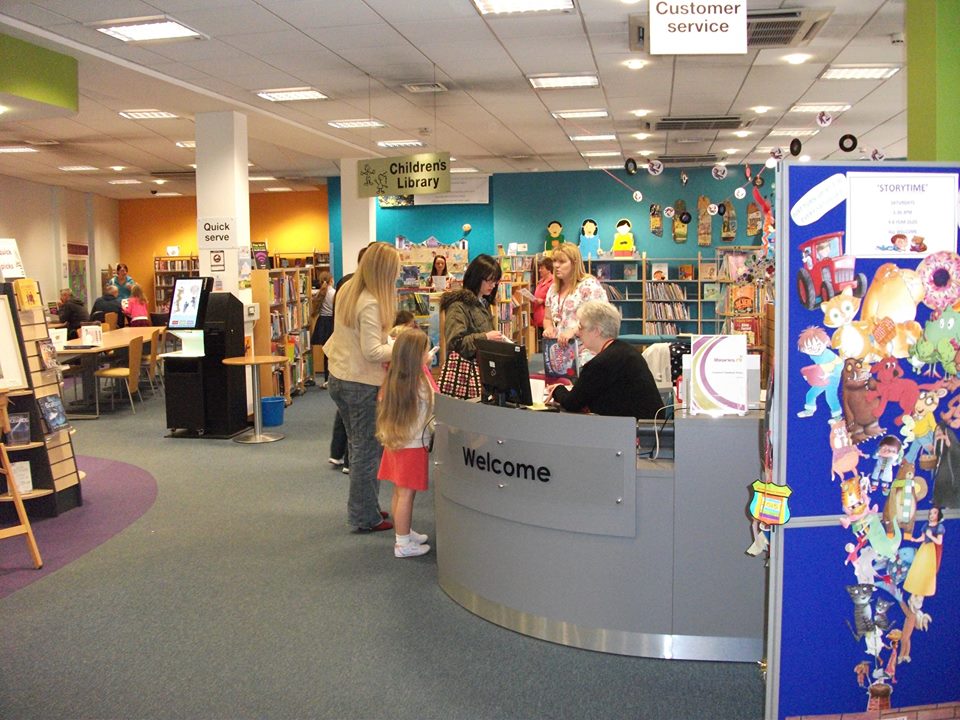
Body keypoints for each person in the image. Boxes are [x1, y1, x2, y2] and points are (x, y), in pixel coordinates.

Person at [323, 242, 399, 533]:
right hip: (361, 382)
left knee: (358, 448)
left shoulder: (348, 288)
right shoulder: (371, 301)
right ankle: (364, 516)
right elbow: (372, 352)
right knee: (367, 451)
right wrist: (402, 345)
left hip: (340, 376)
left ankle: (365, 505)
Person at [547, 301, 664, 420]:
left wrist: (558, 389)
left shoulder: (601, 363)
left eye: (581, 327)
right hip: (647, 427)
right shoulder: (625, 350)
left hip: (633, 432)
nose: (577, 333)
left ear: (597, 331)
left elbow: (571, 403)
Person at [376, 328, 435, 558]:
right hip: (412, 446)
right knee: (407, 495)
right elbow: (433, 406)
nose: (429, 355)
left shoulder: (395, 379)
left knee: (399, 492)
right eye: (426, 352)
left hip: (397, 442)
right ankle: (402, 543)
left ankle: (404, 531)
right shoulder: (419, 384)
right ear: (416, 357)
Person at [327, 246, 371, 474]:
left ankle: (339, 455)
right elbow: (371, 347)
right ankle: (347, 460)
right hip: (355, 369)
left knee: (346, 417)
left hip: (340, 365)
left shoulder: (344, 285)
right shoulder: (366, 295)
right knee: (357, 426)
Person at [438, 254, 505, 399]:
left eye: (495, 282)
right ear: (477, 277)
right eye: (490, 281)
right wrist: (486, 337)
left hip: (483, 373)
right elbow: (455, 343)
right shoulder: (458, 306)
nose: (493, 286)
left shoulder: (483, 303)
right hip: (467, 375)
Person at [542, 243, 609, 366]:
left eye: (562, 262)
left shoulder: (589, 285)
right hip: (559, 355)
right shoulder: (553, 289)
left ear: (574, 263)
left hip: (586, 354)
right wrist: (549, 328)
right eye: (554, 261)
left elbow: (600, 318)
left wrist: (573, 331)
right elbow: (547, 318)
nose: (556, 265)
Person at [310, 271, 335, 386]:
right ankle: (333, 378)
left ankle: (326, 379)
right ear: (331, 280)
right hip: (332, 323)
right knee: (334, 352)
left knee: (326, 351)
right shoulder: (334, 293)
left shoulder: (319, 293)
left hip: (322, 323)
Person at [531, 255, 553, 347]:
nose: (539, 270)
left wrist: (542, 301)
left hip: (546, 316)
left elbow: (553, 298)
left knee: (547, 341)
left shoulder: (553, 282)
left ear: (548, 269)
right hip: (538, 314)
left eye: (542, 268)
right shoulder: (540, 282)